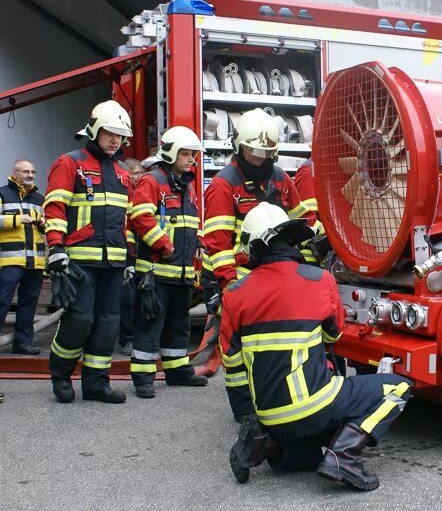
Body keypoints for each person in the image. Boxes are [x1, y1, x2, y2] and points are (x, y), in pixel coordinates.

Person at [221, 203, 411, 491]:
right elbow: (333, 336)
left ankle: (265, 444)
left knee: (303, 456)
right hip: (313, 405)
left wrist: (250, 419)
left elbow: (232, 366)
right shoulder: (319, 280)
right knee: (398, 387)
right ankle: (344, 458)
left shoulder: (234, 295)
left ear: (253, 247)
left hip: (268, 416)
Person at [203, 108, 306, 422]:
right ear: (239, 147)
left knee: (276, 341)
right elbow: (218, 242)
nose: (259, 158)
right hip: (242, 276)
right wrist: (229, 285)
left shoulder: (280, 178)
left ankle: (275, 397)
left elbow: (301, 219)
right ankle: (246, 408)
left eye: (266, 152)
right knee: (241, 348)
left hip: (277, 274)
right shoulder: (223, 185)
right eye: (253, 151)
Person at [44, 100, 132, 404]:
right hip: (80, 260)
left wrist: (130, 258)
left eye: (120, 135)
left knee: (108, 324)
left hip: (113, 263)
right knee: (79, 320)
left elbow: (127, 220)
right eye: (109, 132)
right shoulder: (70, 163)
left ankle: (96, 383)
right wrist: (56, 248)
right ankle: (61, 374)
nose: (114, 140)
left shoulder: (122, 173)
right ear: (94, 130)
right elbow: (55, 208)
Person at [128, 126, 209, 398]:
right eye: (185, 154)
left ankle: (176, 371)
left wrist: (199, 241)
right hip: (157, 272)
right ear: (171, 152)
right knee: (151, 324)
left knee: (178, 323)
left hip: (183, 271)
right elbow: (140, 217)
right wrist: (165, 245)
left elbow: (192, 222)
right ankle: (143, 377)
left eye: (192, 155)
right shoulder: (152, 181)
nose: (191, 159)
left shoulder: (186, 185)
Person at [0, 159, 46, 355]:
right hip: (9, 259)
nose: (30, 175)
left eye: (33, 172)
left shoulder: (39, 198)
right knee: (2, 301)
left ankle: (23, 343)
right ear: (15, 173)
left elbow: (47, 225)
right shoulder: (3, 193)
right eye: (26, 171)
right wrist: (17, 219)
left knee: (29, 303)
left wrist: (45, 223)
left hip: (35, 260)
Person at [119, 158, 145, 356]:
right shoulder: (120, 194)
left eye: (139, 172)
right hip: (125, 256)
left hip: (143, 255)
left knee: (143, 298)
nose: (138, 177)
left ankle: (141, 338)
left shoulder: (146, 194)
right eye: (134, 173)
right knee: (128, 300)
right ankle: (127, 339)